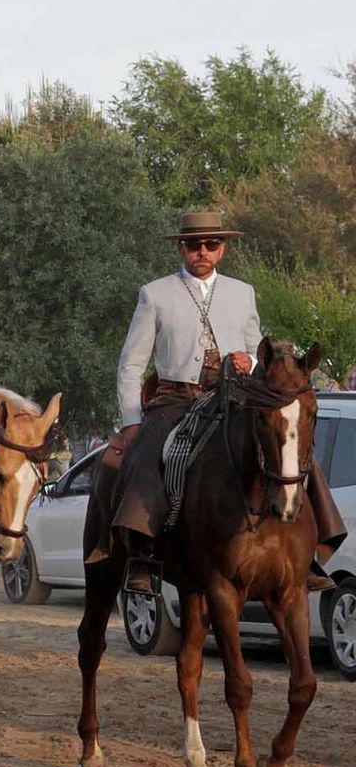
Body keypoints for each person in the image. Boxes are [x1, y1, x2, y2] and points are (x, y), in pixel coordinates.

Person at [101, 210, 343, 594]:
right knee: (150, 453)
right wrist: (132, 421)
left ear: (222, 249)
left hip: (234, 398)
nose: (202, 251)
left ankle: (311, 549)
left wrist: (248, 359)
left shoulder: (242, 291)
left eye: (211, 244)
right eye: (194, 244)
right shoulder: (155, 293)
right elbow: (131, 362)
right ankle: (144, 552)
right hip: (175, 400)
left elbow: (255, 348)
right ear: (181, 248)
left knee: (292, 451)